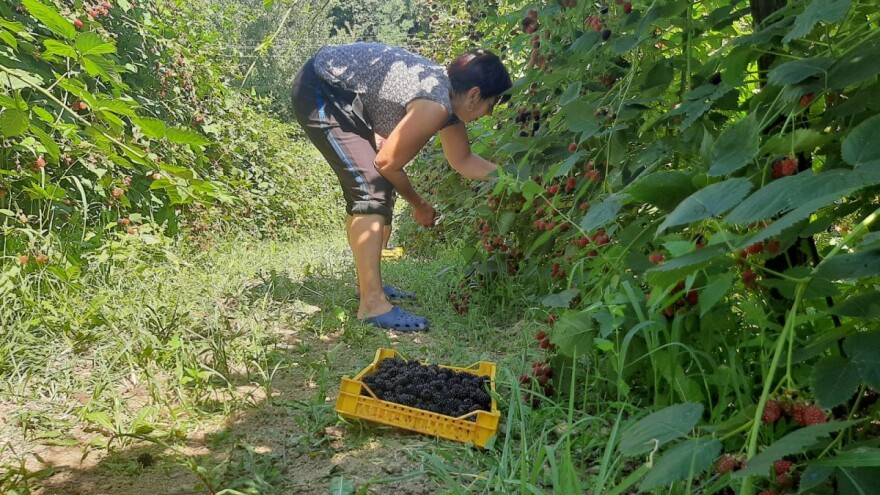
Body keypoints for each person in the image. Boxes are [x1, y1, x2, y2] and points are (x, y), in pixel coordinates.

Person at [291, 42, 512, 332]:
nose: (490, 113)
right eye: (491, 103)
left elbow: (463, 160)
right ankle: (372, 303)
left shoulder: (446, 104)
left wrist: (514, 177)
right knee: (371, 187)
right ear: (473, 95)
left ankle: (367, 285)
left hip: (337, 92)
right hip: (322, 87)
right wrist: (419, 204)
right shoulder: (436, 102)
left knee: (372, 186)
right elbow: (386, 163)